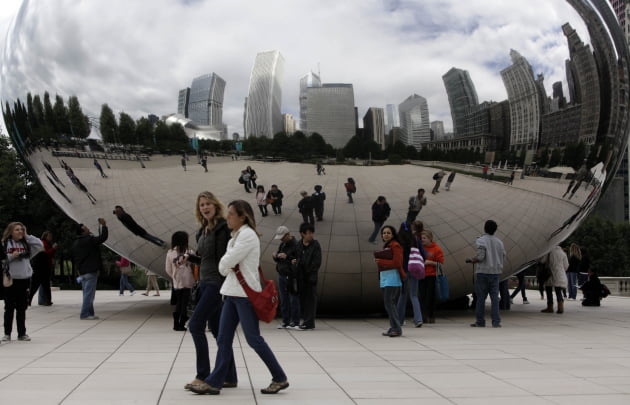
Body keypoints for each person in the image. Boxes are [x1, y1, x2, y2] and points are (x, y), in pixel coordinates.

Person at [190, 200, 289, 395]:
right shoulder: (234, 236)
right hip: (231, 293)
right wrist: (226, 264)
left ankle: (279, 377)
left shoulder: (247, 236)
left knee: (253, 339)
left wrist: (226, 264)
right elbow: (225, 265)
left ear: (242, 216)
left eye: (231, 215)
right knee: (223, 340)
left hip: (245, 295)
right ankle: (214, 382)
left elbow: (225, 263)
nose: (227, 218)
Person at [184, 191, 236, 392]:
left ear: (215, 205)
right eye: (201, 205)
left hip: (216, 284)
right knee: (217, 333)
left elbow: (224, 259)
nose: (205, 207)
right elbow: (206, 259)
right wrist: (190, 259)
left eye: (208, 204)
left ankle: (203, 374)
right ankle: (230, 377)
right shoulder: (202, 231)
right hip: (205, 282)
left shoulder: (222, 228)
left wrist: (225, 288)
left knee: (195, 325)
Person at [2, 222, 43, 341]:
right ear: (10, 232)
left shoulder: (26, 243)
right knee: (9, 307)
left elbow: (40, 245)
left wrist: (27, 235)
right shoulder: (5, 244)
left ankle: (22, 333)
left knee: (22, 307)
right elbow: (2, 260)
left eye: (22, 229)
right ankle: (7, 333)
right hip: (11, 279)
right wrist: (11, 256)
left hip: (24, 279)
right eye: (17, 230)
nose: (20, 231)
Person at [468, 220, 505, 328]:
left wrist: (472, 260)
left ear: (485, 228)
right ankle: (496, 321)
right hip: (495, 273)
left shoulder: (481, 240)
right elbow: (503, 256)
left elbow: (480, 257)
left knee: (480, 298)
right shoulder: (499, 242)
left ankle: (480, 321)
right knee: (494, 298)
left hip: (483, 272)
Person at [72, 218, 108, 320]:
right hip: (91, 271)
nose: (88, 229)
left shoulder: (76, 243)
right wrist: (103, 226)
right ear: (83, 232)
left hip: (83, 272)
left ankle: (90, 313)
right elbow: (102, 238)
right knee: (89, 294)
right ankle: (84, 314)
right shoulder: (89, 240)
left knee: (87, 293)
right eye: (86, 228)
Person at [375, 225, 406, 337]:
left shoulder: (396, 245)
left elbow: (397, 263)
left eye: (388, 233)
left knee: (390, 303)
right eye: (384, 233)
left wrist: (381, 261)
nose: (386, 235)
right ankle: (393, 326)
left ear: (393, 235)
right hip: (385, 278)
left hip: (392, 279)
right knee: (388, 304)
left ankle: (397, 328)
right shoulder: (387, 246)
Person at [292, 222, 322, 330]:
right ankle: (305, 321)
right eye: (308, 233)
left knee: (310, 300)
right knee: (303, 300)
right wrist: (295, 263)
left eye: (312, 233)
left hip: (310, 278)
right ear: (302, 234)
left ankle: (309, 323)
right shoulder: (298, 245)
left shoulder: (315, 245)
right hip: (301, 278)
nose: (311, 235)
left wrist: (305, 266)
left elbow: (317, 262)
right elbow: (295, 258)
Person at [396, 220, 426, 328]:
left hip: (403, 270)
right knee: (414, 295)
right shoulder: (416, 240)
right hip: (414, 268)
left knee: (402, 294)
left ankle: (399, 320)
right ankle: (418, 319)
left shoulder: (398, 241)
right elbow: (423, 254)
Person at [165, 231, 195, 331]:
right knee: (185, 302)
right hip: (188, 279)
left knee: (179, 302)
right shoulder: (189, 252)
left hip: (177, 281)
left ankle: (176, 324)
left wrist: (174, 276)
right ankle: (182, 323)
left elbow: (167, 269)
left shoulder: (170, 253)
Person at [272, 226, 299, 329]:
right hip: (281, 274)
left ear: (288, 234)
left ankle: (295, 321)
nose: (281, 239)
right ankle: (285, 321)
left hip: (291, 275)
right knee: (283, 299)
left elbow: (297, 260)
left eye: (282, 237)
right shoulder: (283, 244)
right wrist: (275, 256)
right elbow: (279, 259)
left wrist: (287, 257)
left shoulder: (296, 245)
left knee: (293, 298)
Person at [419, 229, 443, 324]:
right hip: (421, 275)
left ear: (430, 239)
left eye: (424, 238)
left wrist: (429, 262)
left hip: (431, 276)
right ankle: (423, 315)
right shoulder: (420, 248)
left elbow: (440, 263)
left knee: (430, 297)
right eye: (421, 238)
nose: (422, 240)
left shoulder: (436, 249)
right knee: (422, 296)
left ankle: (431, 315)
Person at [28, 231, 57, 306]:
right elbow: (46, 254)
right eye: (49, 236)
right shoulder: (42, 243)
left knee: (44, 285)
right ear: (45, 236)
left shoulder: (47, 244)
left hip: (44, 268)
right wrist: (53, 249)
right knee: (36, 286)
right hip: (40, 268)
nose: (50, 238)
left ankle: (47, 301)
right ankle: (31, 300)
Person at [541, 245, 568, 314]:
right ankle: (560, 307)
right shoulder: (563, 253)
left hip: (550, 273)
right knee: (558, 291)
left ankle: (550, 307)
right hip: (560, 274)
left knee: (549, 290)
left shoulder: (549, 252)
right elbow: (566, 266)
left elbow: (542, 261)